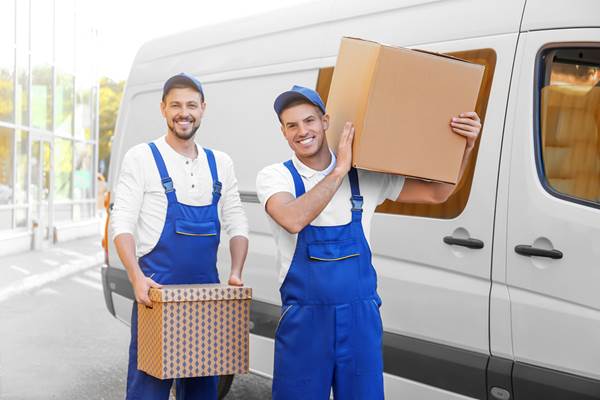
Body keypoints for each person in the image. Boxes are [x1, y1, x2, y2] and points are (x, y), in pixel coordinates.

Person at [256, 85, 481, 399]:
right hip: (306, 322)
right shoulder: (275, 177)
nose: (302, 131)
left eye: (309, 121)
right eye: (291, 125)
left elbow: (437, 193)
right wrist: (338, 171)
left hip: (360, 319)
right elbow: (293, 219)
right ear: (283, 132)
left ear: (325, 121)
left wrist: (466, 147)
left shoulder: (365, 177)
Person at [111, 73, 249, 400]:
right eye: (175, 105)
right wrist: (136, 278)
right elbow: (122, 223)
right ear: (163, 109)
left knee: (202, 391)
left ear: (203, 109)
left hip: (205, 296)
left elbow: (237, 222)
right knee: (148, 391)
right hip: (155, 294)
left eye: (191, 105)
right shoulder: (141, 158)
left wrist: (236, 273)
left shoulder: (221, 163)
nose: (183, 112)